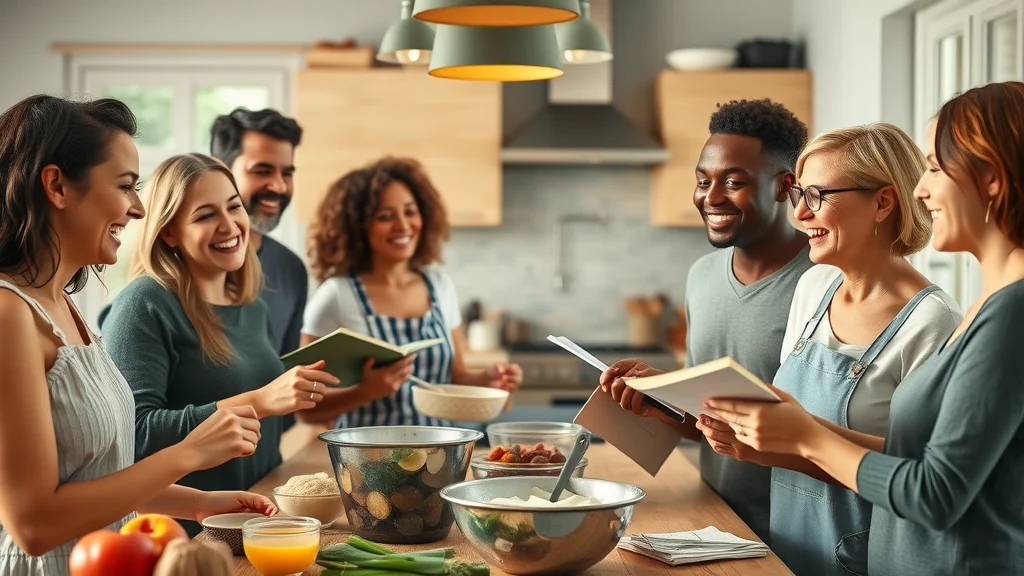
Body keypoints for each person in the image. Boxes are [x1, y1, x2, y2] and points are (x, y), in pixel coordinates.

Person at [704, 81, 1024, 576]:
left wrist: (807, 437)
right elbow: (918, 458)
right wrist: (785, 434)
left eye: (935, 168)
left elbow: (934, 492)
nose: (921, 189)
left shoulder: (1005, 314)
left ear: (994, 180)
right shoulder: (993, 301)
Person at [0, 95, 274, 576]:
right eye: (126, 186)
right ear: (57, 186)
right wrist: (188, 453)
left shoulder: (65, 307)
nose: (139, 209)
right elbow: (34, 524)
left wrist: (196, 501)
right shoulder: (8, 315)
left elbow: (95, 476)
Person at [600, 99, 813, 544]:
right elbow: (710, 424)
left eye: (733, 182)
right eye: (703, 180)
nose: (710, 197)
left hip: (795, 533)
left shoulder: (823, 283)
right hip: (716, 517)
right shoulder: (702, 276)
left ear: (783, 185)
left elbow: (819, 432)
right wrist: (657, 397)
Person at [101, 153, 334, 536]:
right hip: (182, 535)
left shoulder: (252, 308)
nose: (230, 225)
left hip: (257, 523)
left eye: (233, 206)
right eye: (206, 215)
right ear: (169, 232)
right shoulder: (145, 302)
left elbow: (264, 428)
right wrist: (259, 401)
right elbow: (132, 436)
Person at [297, 157, 522, 427]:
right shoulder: (335, 296)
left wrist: (487, 379)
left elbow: (453, 378)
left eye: (410, 211)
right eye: (385, 217)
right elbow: (306, 409)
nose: (403, 225)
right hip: (368, 462)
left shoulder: (438, 285)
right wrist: (366, 391)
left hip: (440, 455)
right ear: (358, 227)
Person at [209, 108, 307, 358]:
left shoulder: (292, 269)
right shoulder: (179, 265)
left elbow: (286, 375)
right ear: (221, 170)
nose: (279, 186)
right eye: (262, 171)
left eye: (287, 173)